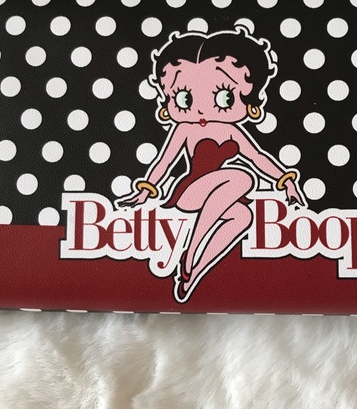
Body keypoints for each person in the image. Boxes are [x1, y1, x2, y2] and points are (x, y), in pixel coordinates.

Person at [116, 27, 305, 303]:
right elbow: (164, 163)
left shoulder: (232, 131)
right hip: (190, 192)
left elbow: (259, 157)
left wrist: (286, 181)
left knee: (244, 216)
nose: (201, 109)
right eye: (184, 97)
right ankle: (191, 250)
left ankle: (192, 274)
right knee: (244, 178)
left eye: (224, 97)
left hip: (220, 194)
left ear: (249, 99)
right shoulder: (185, 129)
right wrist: (146, 190)